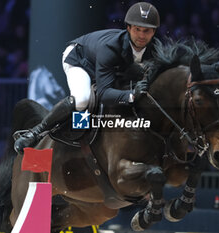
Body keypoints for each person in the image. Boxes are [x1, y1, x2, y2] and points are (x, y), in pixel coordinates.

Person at [14, 2, 162, 152]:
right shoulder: (110, 48)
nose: (142, 35)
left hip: (105, 66)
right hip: (80, 60)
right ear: (129, 28)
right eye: (137, 29)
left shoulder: (156, 49)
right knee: (82, 99)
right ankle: (35, 133)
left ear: (154, 32)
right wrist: (131, 96)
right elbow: (104, 93)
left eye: (147, 31)